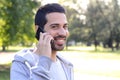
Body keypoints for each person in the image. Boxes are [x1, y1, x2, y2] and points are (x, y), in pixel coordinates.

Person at [10, 3, 74, 80]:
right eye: (54, 27)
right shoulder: (21, 64)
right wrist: (44, 61)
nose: (63, 32)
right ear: (38, 30)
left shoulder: (66, 65)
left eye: (65, 27)